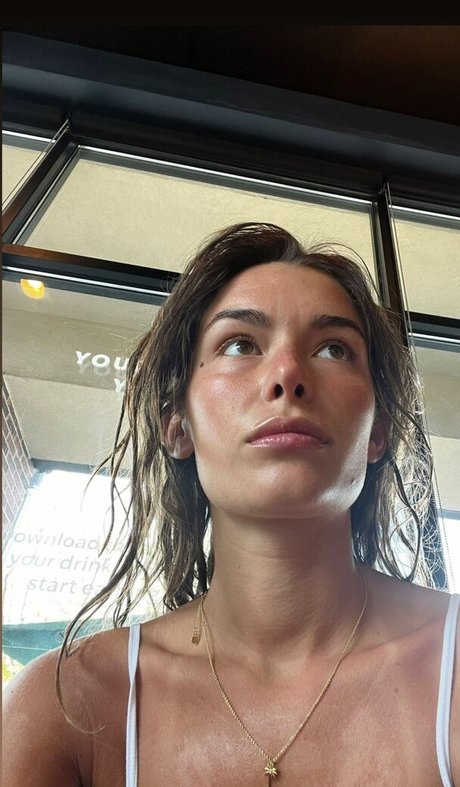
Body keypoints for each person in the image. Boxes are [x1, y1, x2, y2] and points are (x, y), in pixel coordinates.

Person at [3, 222, 459, 787]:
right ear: (178, 425)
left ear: (377, 432)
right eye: (240, 344)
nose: (288, 374)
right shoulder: (68, 706)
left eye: (333, 349)